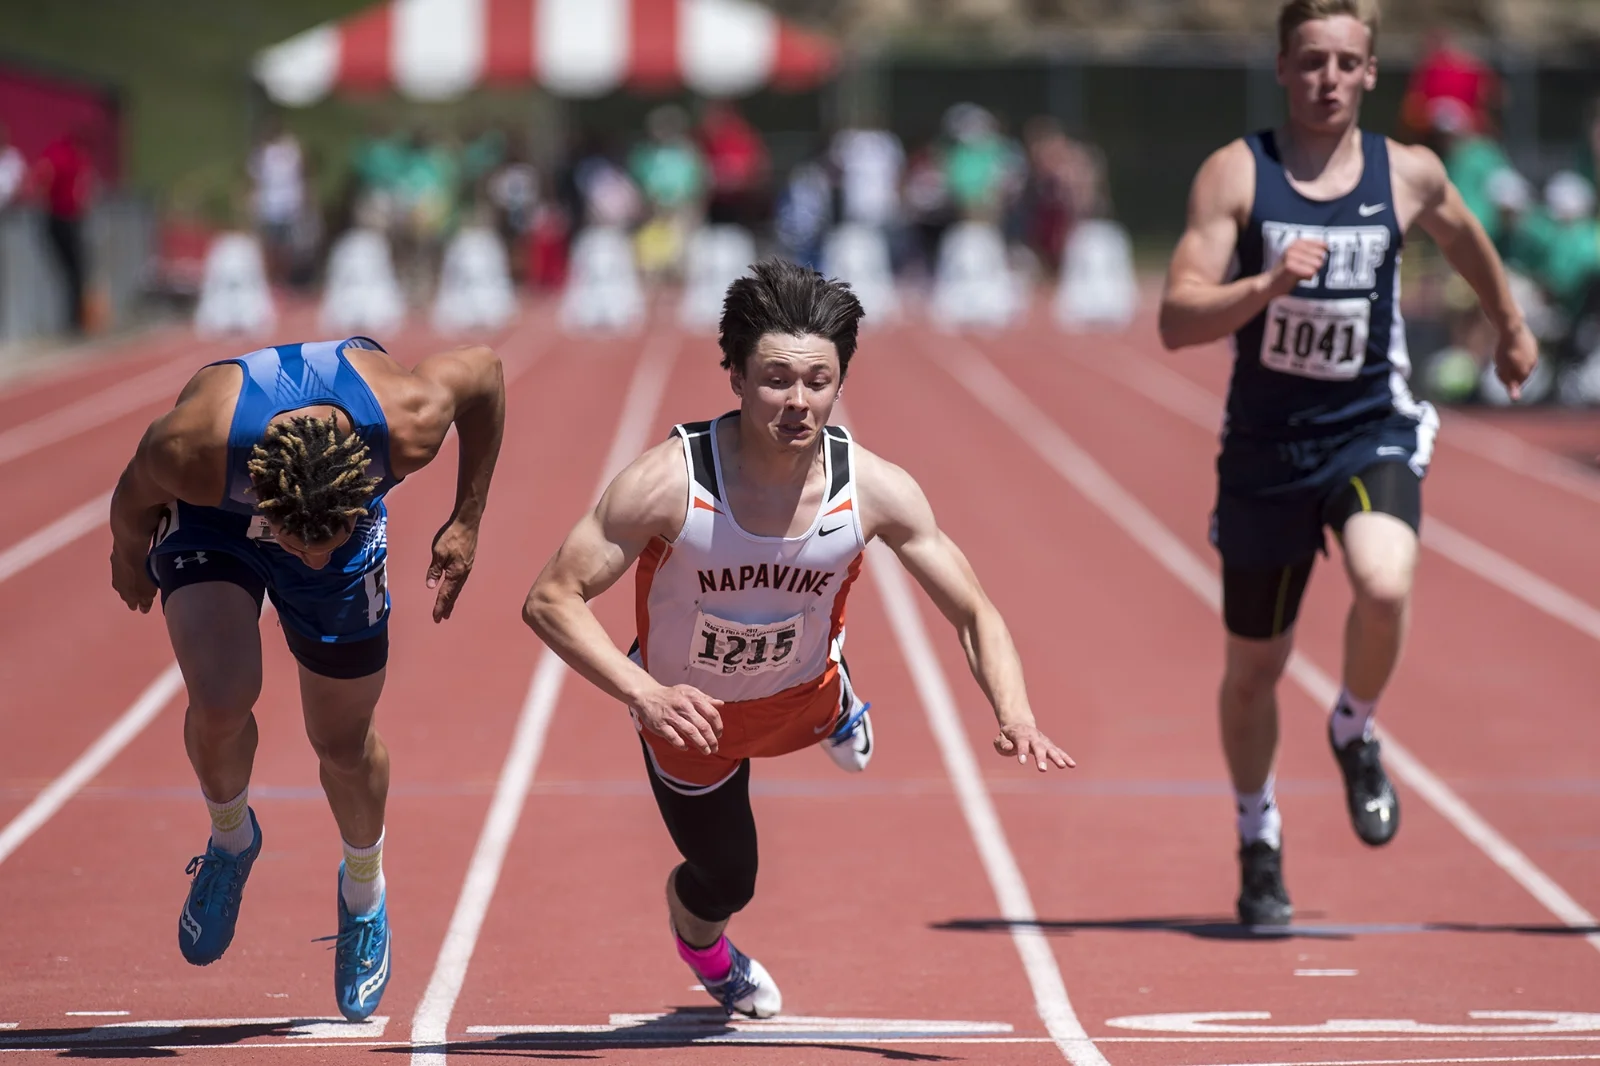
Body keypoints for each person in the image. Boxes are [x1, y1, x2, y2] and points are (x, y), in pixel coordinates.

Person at [522, 259, 1073, 1016]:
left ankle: (838, 699)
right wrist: (644, 692)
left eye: (819, 381)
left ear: (841, 380)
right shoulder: (668, 483)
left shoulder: (873, 488)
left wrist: (1014, 715)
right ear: (737, 377)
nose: (798, 401)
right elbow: (551, 599)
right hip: (690, 711)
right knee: (727, 879)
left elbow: (974, 610)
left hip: (799, 691)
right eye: (776, 379)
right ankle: (707, 950)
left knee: (815, 687)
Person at [1157, 0, 1536, 927]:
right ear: (1283, 69)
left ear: (1372, 75)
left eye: (1347, 62)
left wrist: (1512, 325)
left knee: (1384, 579)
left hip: (1369, 425)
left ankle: (1355, 726)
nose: (1329, 78)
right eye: (1312, 60)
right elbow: (1176, 319)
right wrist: (1266, 284)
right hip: (1264, 451)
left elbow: (1463, 234)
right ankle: (1258, 841)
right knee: (1256, 667)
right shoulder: (1237, 175)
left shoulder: (1408, 174)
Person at [108, 336, 506, 1018]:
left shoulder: (407, 422)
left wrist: (467, 518)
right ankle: (231, 840)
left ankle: (364, 892)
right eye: (300, 547)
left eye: (326, 544)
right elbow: (134, 487)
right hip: (216, 522)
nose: (312, 564)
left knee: (342, 743)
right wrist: (125, 552)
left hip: (326, 507)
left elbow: (488, 374)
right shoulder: (194, 451)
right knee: (221, 697)